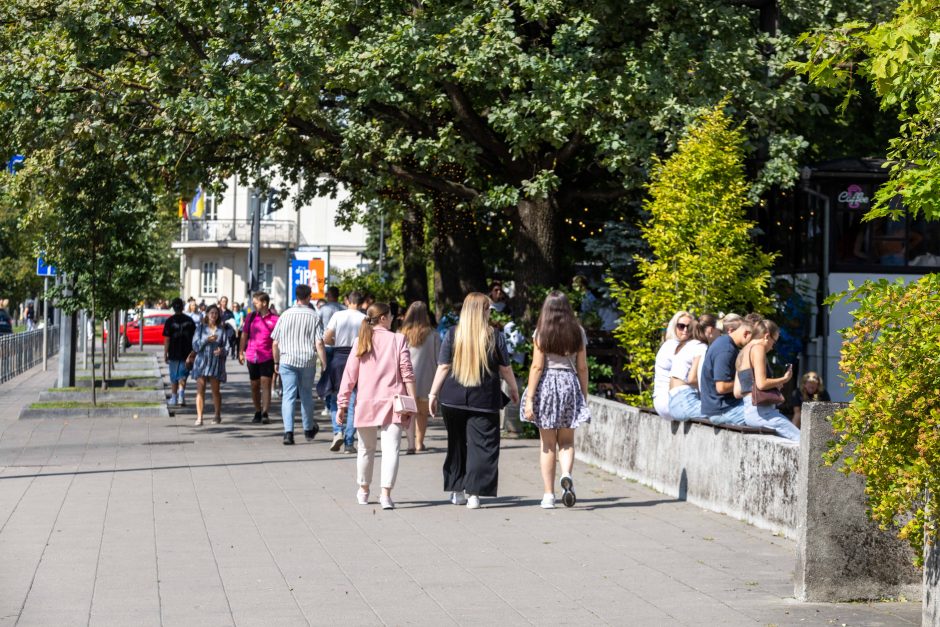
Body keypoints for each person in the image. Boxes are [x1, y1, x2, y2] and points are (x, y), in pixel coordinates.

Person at [428, 292, 520, 510]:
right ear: (482, 311)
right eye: (489, 310)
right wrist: (514, 389)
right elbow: (505, 368)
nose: (490, 314)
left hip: (452, 398)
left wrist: (433, 394)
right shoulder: (494, 336)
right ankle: (474, 494)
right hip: (484, 399)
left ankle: (457, 490)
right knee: (483, 446)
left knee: (456, 445)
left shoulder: (452, 334)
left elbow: (443, 366)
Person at [337, 303, 417, 509]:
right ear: (383, 318)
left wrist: (342, 404)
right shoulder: (398, 339)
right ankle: (385, 495)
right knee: (392, 450)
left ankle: (363, 490)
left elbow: (349, 376)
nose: (392, 319)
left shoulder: (361, 340)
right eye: (390, 316)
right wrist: (412, 402)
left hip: (366, 402)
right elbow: (407, 372)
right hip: (394, 403)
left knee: (365, 449)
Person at [521, 291, 590, 509]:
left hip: (547, 387)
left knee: (548, 444)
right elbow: (582, 366)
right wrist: (583, 394)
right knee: (567, 441)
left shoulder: (541, 332)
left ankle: (548, 495)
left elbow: (537, 366)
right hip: (569, 385)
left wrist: (530, 399)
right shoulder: (577, 332)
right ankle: (566, 474)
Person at [270, 284, 326, 445]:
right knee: (306, 394)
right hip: (307, 361)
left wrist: (276, 361)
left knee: (288, 395)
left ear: (296, 296)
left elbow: (275, 343)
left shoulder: (285, 315)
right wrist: (324, 364)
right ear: (309, 297)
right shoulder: (314, 316)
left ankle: (288, 433)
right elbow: (319, 343)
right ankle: (308, 429)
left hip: (287, 360)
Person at [735, 320, 800, 441]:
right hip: (762, 412)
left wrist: (773, 385)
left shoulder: (742, 352)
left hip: (749, 411)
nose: (772, 347)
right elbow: (761, 383)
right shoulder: (758, 348)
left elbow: (737, 392)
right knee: (802, 439)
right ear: (766, 336)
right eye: (774, 341)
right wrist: (784, 379)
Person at [321, 290, 367, 453]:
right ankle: (349, 441)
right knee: (354, 401)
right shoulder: (365, 319)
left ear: (348, 301)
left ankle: (337, 431)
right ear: (362, 303)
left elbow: (326, 338)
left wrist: (336, 340)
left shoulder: (338, 316)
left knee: (335, 397)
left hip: (339, 357)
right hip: (358, 358)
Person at [400, 301, 441, 453]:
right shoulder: (434, 335)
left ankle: (411, 442)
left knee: (409, 411)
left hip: (406, 379)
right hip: (427, 379)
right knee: (422, 414)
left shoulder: (401, 335)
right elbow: (439, 360)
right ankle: (419, 442)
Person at [700, 317, 755, 426]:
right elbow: (721, 387)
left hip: (722, 407)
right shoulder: (726, 350)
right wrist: (748, 383)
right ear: (746, 334)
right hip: (722, 411)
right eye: (753, 340)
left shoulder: (725, 342)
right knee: (763, 415)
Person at [239, 292, 279, 425]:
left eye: (256, 302)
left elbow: (278, 339)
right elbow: (244, 335)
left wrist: (278, 357)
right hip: (252, 355)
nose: (254, 304)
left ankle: (265, 412)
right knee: (254, 385)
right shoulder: (250, 317)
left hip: (267, 355)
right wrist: (240, 351)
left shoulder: (275, 319)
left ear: (264, 303)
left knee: (266, 383)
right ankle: (257, 410)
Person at [191, 304, 230, 426]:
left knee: (215, 391)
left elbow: (227, 347)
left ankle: (217, 415)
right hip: (201, 362)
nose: (213, 315)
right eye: (211, 313)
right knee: (200, 390)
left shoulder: (221, 330)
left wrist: (221, 351)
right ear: (207, 314)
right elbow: (195, 346)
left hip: (215, 363)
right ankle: (199, 417)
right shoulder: (200, 329)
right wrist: (206, 340)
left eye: (216, 313)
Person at [653, 311, 693, 419]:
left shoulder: (673, 345)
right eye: (681, 326)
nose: (685, 330)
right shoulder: (673, 346)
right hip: (669, 402)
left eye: (689, 327)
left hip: (665, 401)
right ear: (674, 327)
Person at [667, 319, 709, 421]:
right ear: (709, 330)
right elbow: (692, 379)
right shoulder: (701, 347)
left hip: (672, 400)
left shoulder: (684, 345)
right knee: (723, 412)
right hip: (685, 400)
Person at [163, 298, 196, 407]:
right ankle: (181, 396)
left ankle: (174, 398)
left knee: (174, 375)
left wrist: (165, 353)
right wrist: (193, 352)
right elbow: (194, 337)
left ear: (173, 307)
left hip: (173, 351)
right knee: (183, 375)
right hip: (187, 351)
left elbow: (167, 339)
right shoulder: (190, 320)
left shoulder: (170, 321)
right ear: (182, 307)